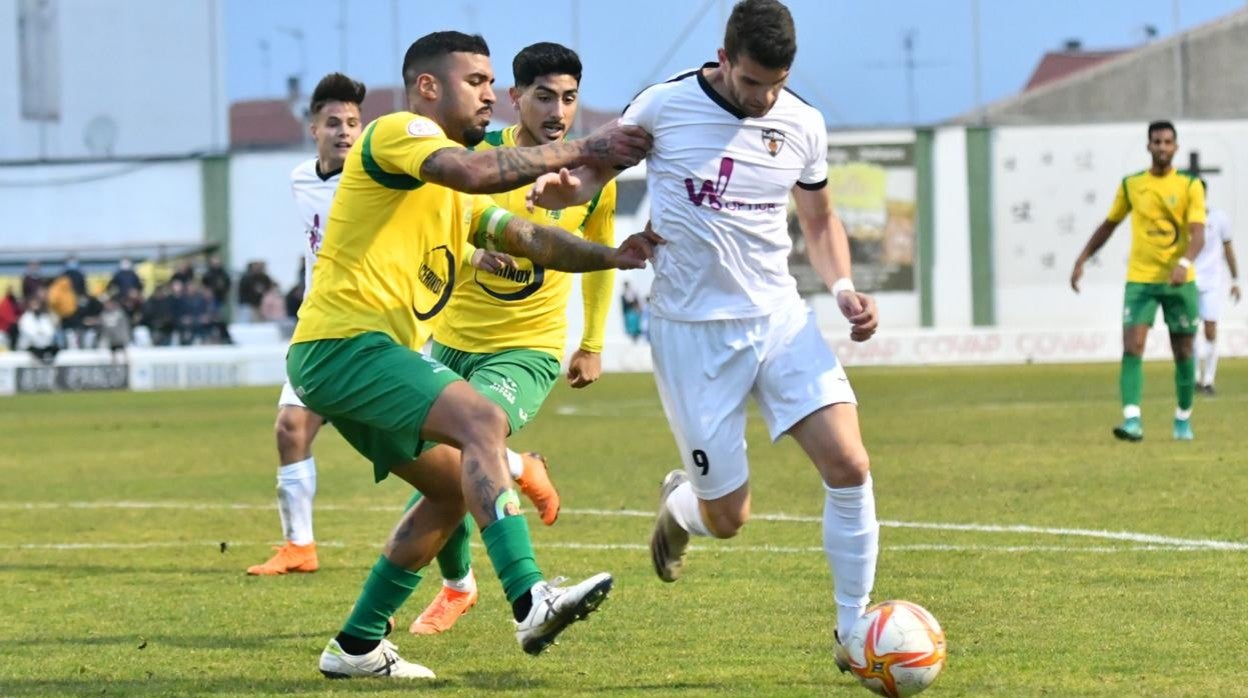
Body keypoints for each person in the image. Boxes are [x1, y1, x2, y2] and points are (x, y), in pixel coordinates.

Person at [283, 32, 653, 680]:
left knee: (454, 491)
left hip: (357, 358)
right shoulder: (399, 133)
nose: (489, 94)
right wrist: (590, 146)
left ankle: (357, 645)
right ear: (429, 87)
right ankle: (530, 599)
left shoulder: (456, 193)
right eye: (477, 81)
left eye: (490, 82)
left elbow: (531, 237)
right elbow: (475, 169)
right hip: (344, 345)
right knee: (481, 421)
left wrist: (613, 257)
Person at [529, 0, 880, 673]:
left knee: (851, 465)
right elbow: (592, 173)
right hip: (691, 334)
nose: (764, 97)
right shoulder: (663, 105)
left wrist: (842, 290)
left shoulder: (802, 122)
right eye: (752, 83)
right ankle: (681, 507)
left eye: (776, 83)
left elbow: (820, 221)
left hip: (780, 319)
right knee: (729, 518)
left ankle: (851, 634)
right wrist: (559, 188)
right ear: (724, 59)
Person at [404, 41, 619, 636]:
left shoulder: (593, 180)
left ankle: (487, 590)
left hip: (528, 346)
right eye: (544, 96)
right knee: (448, 471)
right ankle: (465, 575)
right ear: (515, 98)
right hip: (450, 338)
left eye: (570, 98)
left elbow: (596, 260)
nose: (558, 110)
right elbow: (436, 230)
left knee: (475, 444)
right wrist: (475, 258)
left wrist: (593, 342)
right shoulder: (477, 158)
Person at [1071, 120, 1206, 441]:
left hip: (1179, 281)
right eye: (1156, 142)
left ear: (1176, 147)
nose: (1161, 147)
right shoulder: (1132, 185)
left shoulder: (1190, 186)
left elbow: (1198, 233)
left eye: (1167, 142)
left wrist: (1184, 262)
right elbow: (1109, 224)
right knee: (1133, 346)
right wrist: (1082, 258)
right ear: (1148, 146)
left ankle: (1183, 419)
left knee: (1184, 351)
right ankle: (1132, 420)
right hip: (1141, 280)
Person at [1193, 180, 1239, 394]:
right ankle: (1193, 378)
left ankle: (1208, 380)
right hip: (1189, 280)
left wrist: (1235, 280)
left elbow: (1228, 249)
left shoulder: (1219, 218)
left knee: (1210, 329)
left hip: (1212, 282)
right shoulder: (1183, 218)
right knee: (1189, 330)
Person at [17, 296, 60, 365]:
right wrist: (38, 333)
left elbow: (50, 330)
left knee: (55, 349)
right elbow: (27, 331)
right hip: (31, 346)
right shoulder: (25, 317)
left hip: (44, 344)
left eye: (37, 305)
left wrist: (42, 333)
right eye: (34, 305)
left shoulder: (44, 317)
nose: (36, 307)